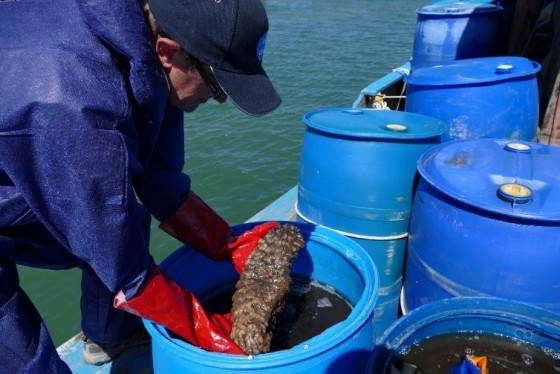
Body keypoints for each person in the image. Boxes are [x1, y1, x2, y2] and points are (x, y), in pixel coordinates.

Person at [0, 0, 282, 371]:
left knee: (126, 220)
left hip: (35, 145)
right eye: (216, 84)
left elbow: (157, 176)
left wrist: (224, 243)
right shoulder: (80, 113)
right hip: (41, 129)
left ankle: (110, 337)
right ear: (169, 53)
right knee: (23, 353)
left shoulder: (148, 42)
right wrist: (205, 329)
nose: (220, 99)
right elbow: (122, 266)